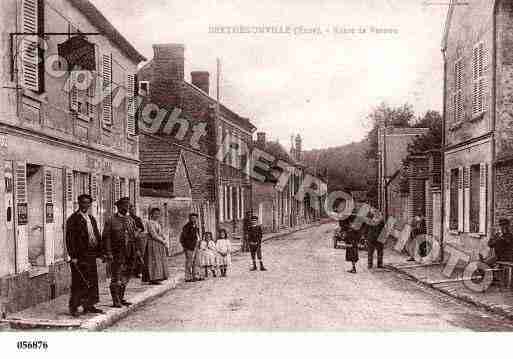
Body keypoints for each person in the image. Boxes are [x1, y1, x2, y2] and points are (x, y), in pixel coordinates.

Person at [65, 194, 104, 317]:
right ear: (79, 203)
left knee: (92, 280)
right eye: (83, 202)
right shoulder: (73, 219)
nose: (85, 205)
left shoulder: (91, 218)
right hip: (80, 255)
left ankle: (89, 305)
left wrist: (100, 252)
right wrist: (73, 256)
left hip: (91, 254)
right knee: (79, 281)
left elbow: (96, 235)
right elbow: (70, 239)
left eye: (88, 203)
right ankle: (74, 307)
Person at [103, 197, 140, 308]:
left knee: (126, 275)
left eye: (128, 206)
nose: (126, 208)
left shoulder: (130, 220)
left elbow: (134, 237)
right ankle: (115, 300)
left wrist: (137, 250)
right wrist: (108, 252)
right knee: (116, 276)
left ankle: (121, 297)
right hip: (117, 252)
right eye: (124, 205)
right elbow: (106, 237)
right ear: (118, 207)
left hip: (130, 252)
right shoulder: (111, 220)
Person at [143, 208, 169, 285]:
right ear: (151, 214)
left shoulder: (157, 223)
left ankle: (158, 276)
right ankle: (153, 278)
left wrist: (164, 238)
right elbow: (153, 235)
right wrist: (162, 241)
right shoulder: (149, 223)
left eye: (158, 213)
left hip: (158, 244)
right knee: (153, 260)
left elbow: (160, 233)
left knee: (158, 260)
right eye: (155, 213)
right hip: (152, 244)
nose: (157, 215)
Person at [180, 213, 202, 282]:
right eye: (192, 218)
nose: (194, 219)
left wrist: (199, 243)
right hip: (190, 247)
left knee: (196, 261)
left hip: (196, 245)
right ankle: (188, 277)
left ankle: (196, 275)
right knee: (189, 262)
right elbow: (183, 238)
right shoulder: (186, 227)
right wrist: (186, 247)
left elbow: (197, 236)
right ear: (190, 219)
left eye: (195, 218)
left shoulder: (196, 226)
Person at [129, 204, 146, 278]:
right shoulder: (127, 218)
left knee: (139, 255)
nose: (132, 211)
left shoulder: (137, 219)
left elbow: (142, 228)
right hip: (130, 239)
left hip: (137, 239)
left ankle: (139, 272)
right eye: (131, 210)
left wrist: (137, 231)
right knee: (131, 255)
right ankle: (131, 271)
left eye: (133, 210)